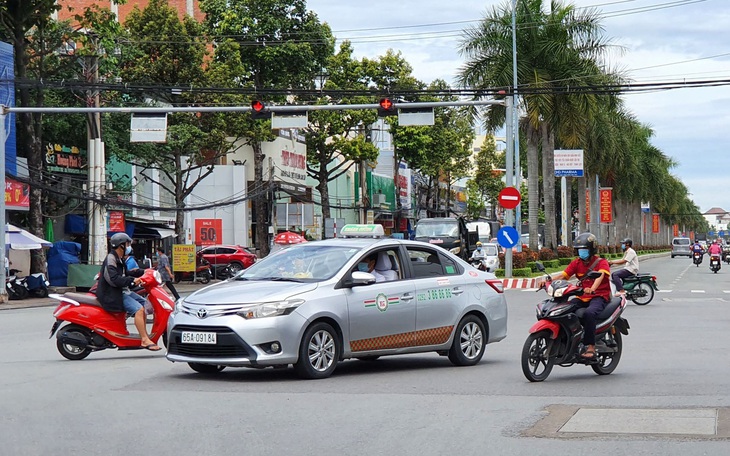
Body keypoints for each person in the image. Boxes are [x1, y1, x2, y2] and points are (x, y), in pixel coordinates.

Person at [537, 232, 611, 360]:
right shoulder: (576, 263)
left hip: (599, 296)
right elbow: (564, 275)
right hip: (582, 296)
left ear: (592, 249)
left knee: (589, 313)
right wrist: (547, 281)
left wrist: (592, 289)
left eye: (584, 249)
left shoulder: (601, 262)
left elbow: (600, 276)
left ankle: (590, 346)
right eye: (580, 250)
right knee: (564, 309)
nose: (582, 252)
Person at [95, 233, 160, 351]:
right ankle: (145, 340)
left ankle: (143, 335)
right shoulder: (111, 259)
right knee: (139, 310)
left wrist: (145, 271)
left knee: (144, 304)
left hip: (122, 291)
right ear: (121, 246)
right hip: (113, 293)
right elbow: (113, 279)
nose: (130, 246)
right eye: (128, 244)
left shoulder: (119, 258)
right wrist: (131, 281)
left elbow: (127, 273)